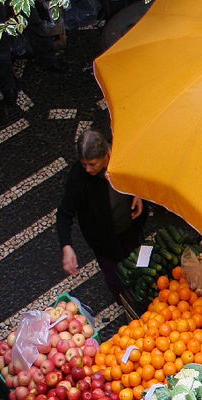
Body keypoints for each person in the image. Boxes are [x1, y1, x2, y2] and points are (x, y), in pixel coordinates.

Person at [56, 129, 146, 302]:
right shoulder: (79, 178)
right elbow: (64, 214)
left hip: (131, 226)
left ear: (106, 155)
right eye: (84, 164)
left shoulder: (123, 155)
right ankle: (126, 302)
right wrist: (66, 246)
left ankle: (143, 296)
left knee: (141, 262)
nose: (88, 169)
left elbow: (138, 172)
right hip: (103, 240)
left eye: (92, 164)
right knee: (116, 276)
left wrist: (138, 193)